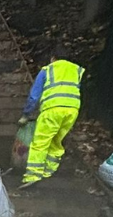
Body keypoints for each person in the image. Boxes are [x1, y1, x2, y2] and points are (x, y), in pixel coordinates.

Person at [19, 49, 84, 187]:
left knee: (40, 142)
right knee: (56, 140)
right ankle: (48, 171)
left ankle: (33, 175)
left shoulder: (47, 70)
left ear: (53, 58)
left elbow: (34, 96)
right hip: (72, 110)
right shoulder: (77, 70)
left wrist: (26, 114)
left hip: (52, 109)